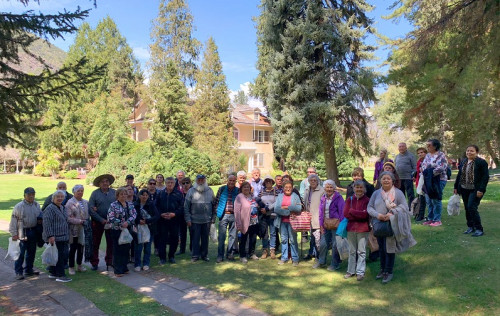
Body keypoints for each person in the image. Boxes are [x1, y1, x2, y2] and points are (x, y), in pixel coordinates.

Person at [368, 171, 416, 284]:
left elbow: (404, 207)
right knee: (381, 248)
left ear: (392, 180)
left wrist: (392, 212)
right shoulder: (376, 194)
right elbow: (369, 207)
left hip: (392, 225)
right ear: (380, 180)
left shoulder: (398, 193)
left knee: (389, 248)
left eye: (388, 178)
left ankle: (388, 272)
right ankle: (382, 269)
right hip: (379, 225)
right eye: (383, 178)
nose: (385, 180)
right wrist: (378, 215)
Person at [454, 145, 489, 237]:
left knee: (471, 207)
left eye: (472, 151)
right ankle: (470, 227)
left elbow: (485, 177)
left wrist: (481, 189)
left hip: (476, 189)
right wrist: (456, 187)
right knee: (467, 208)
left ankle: (479, 229)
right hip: (464, 188)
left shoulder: (481, 162)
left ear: (476, 152)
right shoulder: (464, 161)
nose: (469, 152)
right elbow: (459, 175)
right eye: (468, 150)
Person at [9, 187, 41, 280]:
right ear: (24, 196)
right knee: (20, 253)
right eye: (29, 195)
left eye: (33, 194)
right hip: (22, 231)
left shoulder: (36, 204)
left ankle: (29, 270)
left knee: (32, 252)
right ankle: (18, 272)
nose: (31, 196)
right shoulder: (19, 206)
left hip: (33, 231)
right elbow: (13, 220)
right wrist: (14, 233)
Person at [314, 180, 345, 271]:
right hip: (325, 224)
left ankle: (335, 264)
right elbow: (320, 213)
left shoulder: (339, 198)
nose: (329, 189)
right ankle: (321, 261)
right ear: (324, 188)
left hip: (336, 225)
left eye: (331, 187)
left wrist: (341, 226)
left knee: (336, 245)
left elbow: (342, 212)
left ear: (334, 188)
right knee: (323, 243)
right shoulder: (323, 198)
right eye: (327, 187)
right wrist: (321, 225)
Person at [184, 174, 215, 262]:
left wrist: (213, 218)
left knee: (205, 239)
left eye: (202, 180)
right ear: (196, 181)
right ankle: (195, 256)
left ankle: (204, 255)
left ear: (205, 181)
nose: (201, 182)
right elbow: (186, 207)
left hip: (207, 220)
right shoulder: (191, 191)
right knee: (195, 239)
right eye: (199, 180)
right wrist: (188, 219)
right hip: (194, 220)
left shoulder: (210, 190)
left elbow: (214, 206)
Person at [343, 180, 370, 281]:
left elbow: (366, 215)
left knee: (361, 251)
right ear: (354, 188)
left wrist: (353, 212)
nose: (358, 189)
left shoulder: (367, 200)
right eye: (357, 187)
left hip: (363, 229)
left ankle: (360, 272)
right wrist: (359, 214)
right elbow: (346, 214)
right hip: (351, 228)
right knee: (352, 251)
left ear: (364, 189)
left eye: (360, 187)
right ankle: (350, 271)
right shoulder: (349, 200)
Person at [89, 174, 116, 271]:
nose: (105, 183)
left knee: (111, 242)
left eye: (106, 181)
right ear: (99, 184)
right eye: (103, 181)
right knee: (95, 243)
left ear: (109, 183)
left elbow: (118, 205)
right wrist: (101, 220)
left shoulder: (114, 192)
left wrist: (113, 219)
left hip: (111, 222)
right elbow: (91, 209)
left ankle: (109, 261)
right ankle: (94, 263)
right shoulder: (95, 193)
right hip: (98, 222)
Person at [43, 190, 71, 282]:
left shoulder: (62, 207)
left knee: (57, 255)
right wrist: (50, 236)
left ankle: (53, 272)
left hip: (63, 236)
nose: (60, 198)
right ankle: (61, 275)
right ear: (53, 198)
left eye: (61, 197)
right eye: (57, 197)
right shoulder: (50, 208)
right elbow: (47, 223)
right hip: (55, 237)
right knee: (59, 257)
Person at [107, 187, 136, 277]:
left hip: (127, 230)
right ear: (117, 195)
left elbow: (134, 214)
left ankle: (124, 267)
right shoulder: (113, 205)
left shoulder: (130, 204)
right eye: (121, 194)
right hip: (117, 230)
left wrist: (128, 222)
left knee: (126, 249)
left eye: (125, 194)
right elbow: (110, 217)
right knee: (118, 250)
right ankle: (118, 270)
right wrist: (121, 223)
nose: (123, 196)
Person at [156, 177, 184, 264]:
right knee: (162, 239)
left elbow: (182, 207)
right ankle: (162, 258)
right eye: (168, 182)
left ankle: (171, 256)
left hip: (174, 220)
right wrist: (161, 214)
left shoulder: (178, 194)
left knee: (174, 239)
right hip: (163, 220)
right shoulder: (160, 194)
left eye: (172, 182)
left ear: (174, 183)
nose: (170, 184)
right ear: (165, 183)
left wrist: (174, 214)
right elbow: (156, 206)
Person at [274, 180, 302, 266]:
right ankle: (284, 258)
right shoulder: (280, 196)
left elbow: (298, 208)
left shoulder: (295, 196)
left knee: (293, 240)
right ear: (283, 188)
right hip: (282, 222)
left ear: (292, 188)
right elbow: (276, 209)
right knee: (284, 240)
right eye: (286, 187)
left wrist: (286, 207)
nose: (288, 189)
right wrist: (289, 211)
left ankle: (295, 258)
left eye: (290, 187)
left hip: (292, 222)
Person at [421, 139, 448, 227]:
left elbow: (441, 167)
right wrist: (428, 170)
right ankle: (430, 218)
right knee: (428, 200)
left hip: (439, 180)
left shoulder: (441, 155)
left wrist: (430, 171)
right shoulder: (428, 155)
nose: (427, 147)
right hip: (428, 180)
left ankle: (437, 219)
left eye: (429, 145)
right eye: (427, 145)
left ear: (435, 146)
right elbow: (423, 166)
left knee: (435, 199)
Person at [215, 175, 239, 263]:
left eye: (233, 180)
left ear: (235, 181)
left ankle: (229, 254)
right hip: (223, 215)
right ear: (227, 180)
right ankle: (220, 256)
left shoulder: (237, 190)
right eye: (230, 180)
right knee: (221, 236)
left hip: (234, 215)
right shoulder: (221, 189)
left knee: (232, 236)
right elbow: (216, 201)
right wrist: (217, 211)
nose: (231, 182)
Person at [65, 185, 89, 275]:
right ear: (74, 192)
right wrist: (80, 221)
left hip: (82, 229)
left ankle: (79, 265)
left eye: (82, 191)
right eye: (78, 191)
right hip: (73, 229)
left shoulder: (85, 202)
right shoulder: (70, 203)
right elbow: (68, 218)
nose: (80, 192)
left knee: (81, 247)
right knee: (73, 248)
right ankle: (71, 267)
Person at [234, 181, 260, 263]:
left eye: (248, 187)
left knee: (253, 238)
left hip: (254, 221)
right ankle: (242, 256)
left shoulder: (252, 196)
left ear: (250, 188)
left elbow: (256, 205)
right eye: (244, 187)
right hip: (244, 221)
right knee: (243, 239)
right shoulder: (239, 197)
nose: (246, 188)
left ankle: (251, 253)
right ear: (241, 188)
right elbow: (237, 211)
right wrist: (238, 222)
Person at [134, 189, 159, 271]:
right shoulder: (135, 204)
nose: (144, 197)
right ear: (139, 195)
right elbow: (132, 216)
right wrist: (139, 221)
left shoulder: (151, 204)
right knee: (138, 247)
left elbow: (156, 216)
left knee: (147, 247)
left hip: (149, 228)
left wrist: (147, 221)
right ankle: (137, 264)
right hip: (138, 229)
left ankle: (146, 263)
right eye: (143, 195)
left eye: (146, 195)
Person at [303, 174, 325, 261]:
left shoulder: (321, 191)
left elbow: (323, 205)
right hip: (309, 217)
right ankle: (311, 253)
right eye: (311, 180)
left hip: (317, 217)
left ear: (317, 181)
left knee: (317, 238)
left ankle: (319, 256)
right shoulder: (307, 190)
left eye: (314, 180)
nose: (312, 182)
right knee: (312, 237)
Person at [256, 176, 278, 259]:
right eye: (267, 181)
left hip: (272, 215)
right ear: (264, 183)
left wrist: (267, 208)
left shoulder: (276, 191)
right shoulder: (262, 191)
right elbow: (257, 200)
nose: (268, 183)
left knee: (273, 233)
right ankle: (265, 250)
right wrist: (261, 208)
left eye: (270, 181)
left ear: (272, 182)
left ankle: (272, 250)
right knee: (264, 233)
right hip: (263, 216)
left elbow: (277, 202)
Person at [395, 142, 417, 208]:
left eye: (402, 146)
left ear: (406, 147)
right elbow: (395, 166)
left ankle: (411, 208)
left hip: (408, 178)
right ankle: (403, 207)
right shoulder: (397, 156)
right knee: (401, 194)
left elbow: (415, 167)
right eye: (400, 147)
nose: (401, 148)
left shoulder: (411, 156)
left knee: (410, 194)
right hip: (399, 178)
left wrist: (413, 176)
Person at [176, 177, 192, 255]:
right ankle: (182, 249)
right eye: (183, 183)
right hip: (182, 215)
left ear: (190, 183)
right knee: (182, 233)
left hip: (191, 214)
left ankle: (192, 248)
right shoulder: (179, 193)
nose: (185, 184)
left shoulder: (193, 192)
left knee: (192, 232)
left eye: (187, 183)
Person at [414, 147, 428, 221]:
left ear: (425, 153)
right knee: (421, 200)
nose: (420, 154)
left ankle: (431, 216)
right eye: (419, 153)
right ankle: (420, 215)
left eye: (422, 152)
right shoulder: (419, 161)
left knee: (428, 200)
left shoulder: (428, 160)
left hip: (427, 183)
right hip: (420, 182)